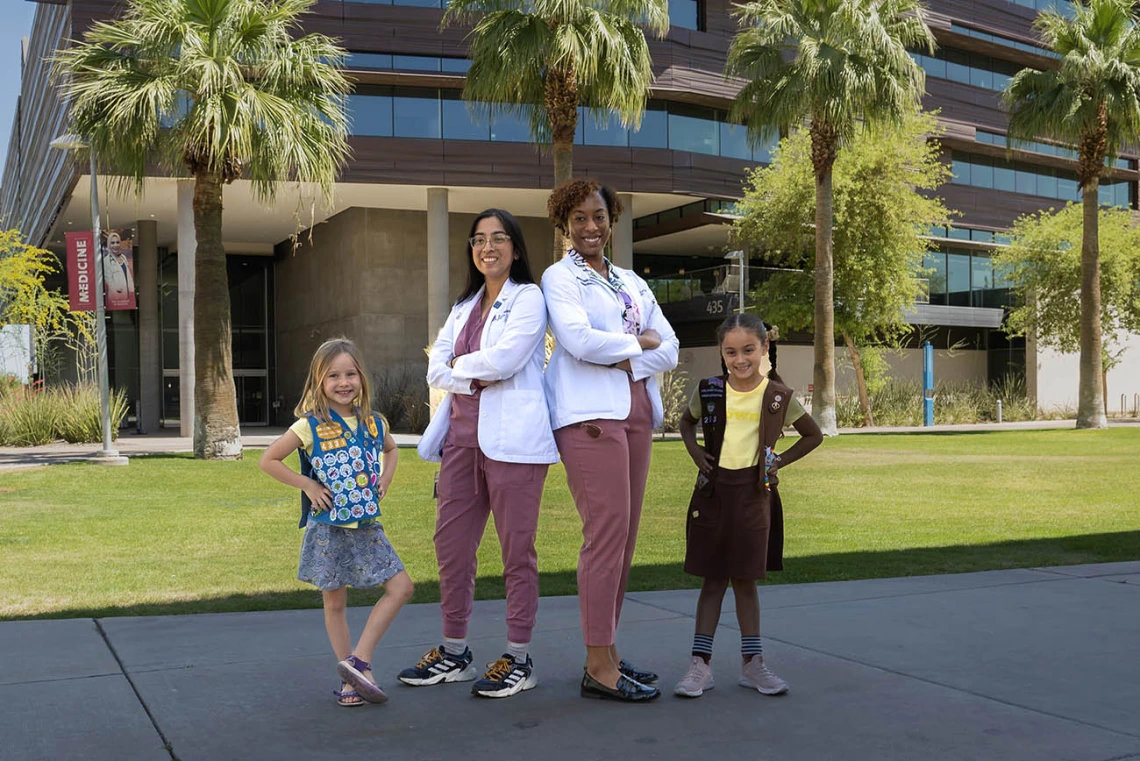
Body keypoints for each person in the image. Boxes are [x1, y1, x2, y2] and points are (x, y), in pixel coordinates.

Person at [402, 209, 557, 699]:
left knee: (517, 554)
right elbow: (436, 367)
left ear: (514, 246)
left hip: (515, 445)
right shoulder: (464, 303)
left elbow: (508, 360)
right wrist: (473, 371)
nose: (487, 247)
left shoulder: (530, 298)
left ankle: (518, 657)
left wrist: (459, 367)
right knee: (450, 550)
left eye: (498, 238)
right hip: (461, 444)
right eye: (478, 240)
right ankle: (455, 652)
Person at [543, 179, 679, 702]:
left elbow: (669, 346)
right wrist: (637, 344)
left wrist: (625, 354)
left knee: (626, 539)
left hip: (637, 410)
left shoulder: (630, 282)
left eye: (597, 216)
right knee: (606, 534)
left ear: (611, 219)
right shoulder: (560, 277)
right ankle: (597, 664)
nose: (590, 226)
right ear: (564, 224)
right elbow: (576, 341)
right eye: (578, 218)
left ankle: (609, 653)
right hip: (590, 415)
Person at [673, 314, 822, 699]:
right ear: (722, 353)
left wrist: (778, 461)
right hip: (712, 495)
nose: (740, 360)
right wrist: (695, 452)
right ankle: (699, 666)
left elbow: (813, 435)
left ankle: (752, 664)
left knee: (745, 580)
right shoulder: (708, 391)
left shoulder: (777, 396)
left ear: (764, 349)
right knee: (712, 579)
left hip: (755, 497)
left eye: (748, 350)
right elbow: (685, 424)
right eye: (731, 352)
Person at [259, 338, 413, 707]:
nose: (343, 382)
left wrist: (387, 477)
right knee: (334, 604)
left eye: (350, 374)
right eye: (333, 376)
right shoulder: (308, 427)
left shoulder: (375, 423)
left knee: (402, 588)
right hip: (328, 530)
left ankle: (359, 661)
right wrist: (307, 484)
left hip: (367, 528)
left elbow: (391, 451)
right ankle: (351, 681)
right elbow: (269, 460)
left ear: (361, 377)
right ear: (318, 382)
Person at [103, 231, 135, 303]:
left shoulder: (123, 257)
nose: (115, 245)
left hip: (127, 295)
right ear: (109, 244)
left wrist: (131, 290)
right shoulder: (106, 260)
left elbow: (128, 275)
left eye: (117, 242)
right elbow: (108, 279)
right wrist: (116, 289)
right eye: (112, 243)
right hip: (116, 296)